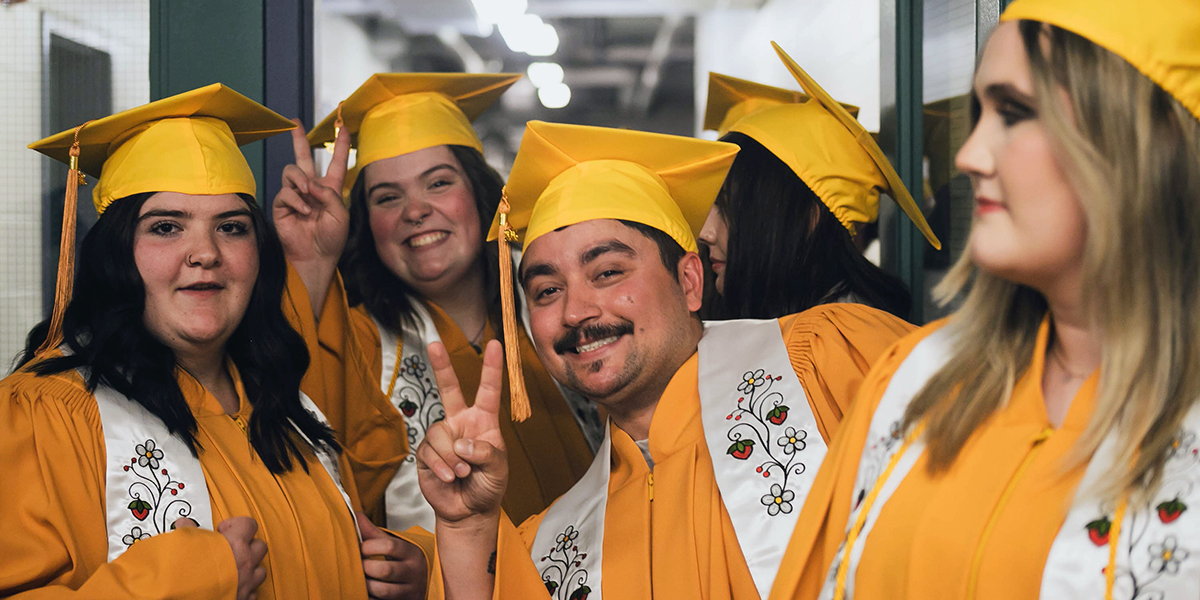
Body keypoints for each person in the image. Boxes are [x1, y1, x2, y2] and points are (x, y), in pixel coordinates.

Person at [776, 0, 1200, 598]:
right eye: (980, 113)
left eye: (1015, 112)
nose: (969, 156)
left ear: (1139, 144)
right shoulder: (917, 381)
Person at [412, 111, 919, 599]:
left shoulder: (830, 358)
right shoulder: (553, 545)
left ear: (690, 281)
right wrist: (468, 528)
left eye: (608, 272)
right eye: (546, 291)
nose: (576, 311)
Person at [1, 84, 424, 600]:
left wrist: (405, 569)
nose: (205, 252)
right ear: (116, 254)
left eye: (231, 227)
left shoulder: (288, 409)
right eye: (165, 227)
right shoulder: (50, 413)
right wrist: (183, 583)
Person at [278, 73, 601, 532]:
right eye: (387, 197)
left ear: (479, 191)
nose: (415, 211)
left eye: (438, 183)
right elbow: (317, 469)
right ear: (367, 224)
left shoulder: (555, 306)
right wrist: (311, 262)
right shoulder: (359, 343)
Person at [698, 48, 940, 321]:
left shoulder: (851, 344)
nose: (705, 233)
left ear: (808, 215)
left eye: (728, 207)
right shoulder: (784, 321)